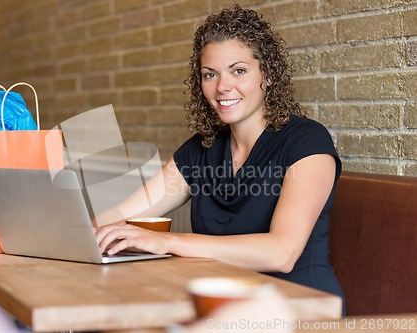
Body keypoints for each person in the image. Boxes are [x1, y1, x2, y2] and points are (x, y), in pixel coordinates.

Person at [95, 4, 345, 311]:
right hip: (223, 305)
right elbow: (123, 212)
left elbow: (281, 253)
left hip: (299, 307)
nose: (222, 86)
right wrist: (81, 232)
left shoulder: (307, 141)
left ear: (266, 74)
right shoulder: (201, 149)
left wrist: (169, 243)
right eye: (209, 74)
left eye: (238, 71)